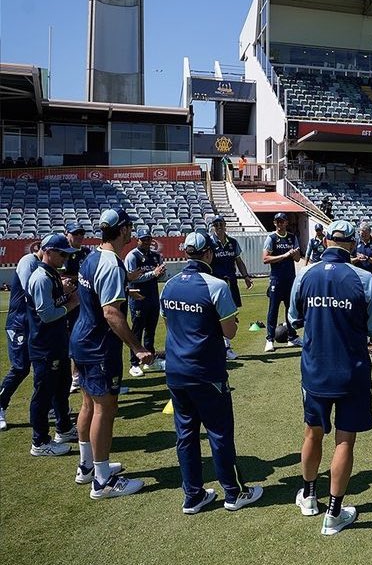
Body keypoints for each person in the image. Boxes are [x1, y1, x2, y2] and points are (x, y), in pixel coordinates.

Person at [289, 220, 372, 535]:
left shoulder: (305, 275)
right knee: (345, 440)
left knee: (312, 434)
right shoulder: (363, 278)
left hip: (315, 370)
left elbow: (294, 318)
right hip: (352, 371)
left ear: (326, 241)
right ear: (353, 244)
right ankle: (334, 513)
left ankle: (309, 496)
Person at [161, 232, 263, 513]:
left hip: (176, 371)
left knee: (186, 435)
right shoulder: (216, 285)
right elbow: (229, 331)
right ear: (209, 254)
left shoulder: (169, 285)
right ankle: (233, 492)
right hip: (206, 370)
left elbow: (170, 325)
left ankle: (192, 495)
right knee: (219, 433)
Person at [71, 209, 153, 499]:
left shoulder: (91, 257)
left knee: (88, 404)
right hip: (98, 346)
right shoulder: (111, 263)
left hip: (81, 340)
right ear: (123, 230)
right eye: (129, 227)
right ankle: (102, 480)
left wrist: (126, 292)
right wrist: (137, 347)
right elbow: (110, 314)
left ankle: (87, 466)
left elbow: (94, 296)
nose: (131, 232)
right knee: (105, 409)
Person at [26, 233, 80, 456]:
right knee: (43, 393)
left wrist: (65, 293)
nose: (65, 258)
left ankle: (64, 428)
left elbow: (53, 302)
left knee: (61, 388)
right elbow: (47, 315)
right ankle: (39, 442)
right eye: (61, 253)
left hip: (56, 342)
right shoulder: (41, 278)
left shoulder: (52, 275)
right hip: (44, 346)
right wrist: (71, 304)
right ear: (47, 252)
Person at [0, 240, 42, 431]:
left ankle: (45, 404)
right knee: (20, 367)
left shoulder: (45, 266)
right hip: (19, 323)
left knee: (44, 364)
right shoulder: (28, 260)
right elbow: (30, 291)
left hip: (34, 323)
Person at [209, 215, 253, 361]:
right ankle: (217, 347)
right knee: (214, 316)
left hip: (231, 283)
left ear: (225, 225)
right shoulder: (209, 243)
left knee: (230, 315)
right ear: (212, 226)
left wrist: (246, 276)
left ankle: (226, 347)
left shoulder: (233, 242)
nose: (219, 227)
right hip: (215, 285)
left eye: (221, 224)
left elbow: (238, 261)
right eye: (216, 224)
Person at [124, 228, 166, 377]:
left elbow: (159, 278)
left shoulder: (156, 256)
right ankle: (134, 363)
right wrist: (153, 273)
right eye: (144, 239)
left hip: (153, 297)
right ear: (138, 240)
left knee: (151, 330)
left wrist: (160, 273)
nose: (147, 242)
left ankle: (150, 360)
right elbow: (133, 278)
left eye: (148, 239)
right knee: (137, 331)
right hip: (138, 298)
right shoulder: (132, 256)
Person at [263, 212, 301, 352]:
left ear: (286, 223)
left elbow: (297, 259)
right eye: (277, 221)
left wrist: (294, 253)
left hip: (290, 278)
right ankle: (270, 339)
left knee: (290, 309)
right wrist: (284, 255)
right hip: (276, 278)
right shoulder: (271, 238)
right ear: (274, 223)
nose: (280, 224)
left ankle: (292, 337)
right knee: (273, 310)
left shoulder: (292, 237)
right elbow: (265, 259)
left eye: (282, 221)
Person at [62, 224, 91, 392]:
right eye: (75, 234)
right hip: (65, 303)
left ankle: (76, 377)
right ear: (67, 234)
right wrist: (80, 276)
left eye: (81, 233)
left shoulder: (86, 252)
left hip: (83, 303)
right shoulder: (63, 252)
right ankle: (68, 378)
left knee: (79, 339)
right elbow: (61, 276)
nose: (79, 237)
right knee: (65, 342)